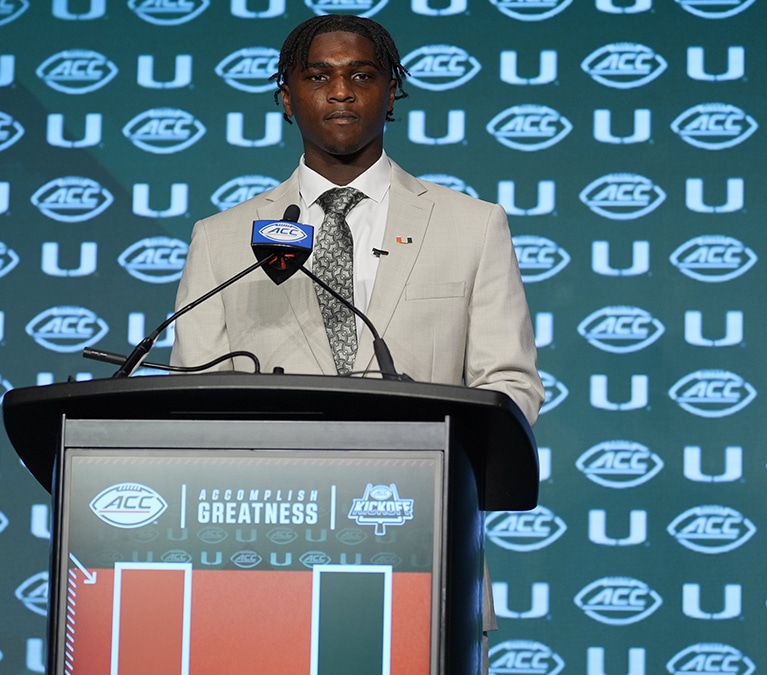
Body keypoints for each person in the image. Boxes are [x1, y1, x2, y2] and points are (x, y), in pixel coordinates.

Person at [169, 14, 544, 672]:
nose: (340, 92)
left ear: (392, 91)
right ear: (286, 97)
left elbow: (510, 387)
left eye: (361, 75)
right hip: (260, 569)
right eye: (318, 76)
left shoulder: (471, 226)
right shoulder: (225, 239)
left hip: (424, 557)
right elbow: (194, 404)